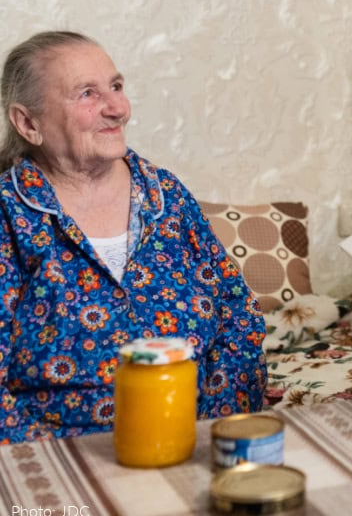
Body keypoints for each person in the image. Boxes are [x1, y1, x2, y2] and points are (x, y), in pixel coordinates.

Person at [0, 31, 266, 443]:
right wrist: (43, 459)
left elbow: (238, 311)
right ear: (28, 122)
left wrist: (216, 422)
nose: (117, 109)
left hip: (192, 432)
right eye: (87, 93)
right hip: (60, 447)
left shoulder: (165, 195)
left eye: (117, 87)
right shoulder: (9, 214)